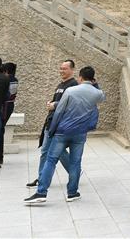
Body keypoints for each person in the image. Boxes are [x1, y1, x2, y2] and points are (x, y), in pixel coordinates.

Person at [24, 66, 105, 204]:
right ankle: (72, 193)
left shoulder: (71, 91)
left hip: (63, 131)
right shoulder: (97, 93)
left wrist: (52, 129)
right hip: (80, 133)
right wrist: (95, 84)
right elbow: (102, 97)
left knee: (51, 160)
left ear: (80, 77)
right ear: (92, 78)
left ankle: (41, 192)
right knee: (75, 163)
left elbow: (59, 111)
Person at [27, 59, 78, 187]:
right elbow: (58, 101)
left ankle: (42, 179)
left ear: (72, 70)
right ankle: (74, 173)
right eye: (61, 68)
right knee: (56, 151)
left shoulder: (73, 85)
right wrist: (51, 103)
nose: (61, 71)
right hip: (51, 122)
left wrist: (54, 105)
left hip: (60, 125)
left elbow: (71, 104)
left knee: (48, 151)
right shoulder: (61, 85)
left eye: (64, 68)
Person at [0, 62, 18, 168]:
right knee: (0, 130)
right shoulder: (14, 79)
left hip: (5, 106)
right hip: (9, 105)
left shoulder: (7, 79)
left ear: (6, 71)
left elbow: (4, 94)